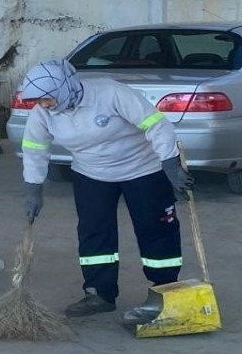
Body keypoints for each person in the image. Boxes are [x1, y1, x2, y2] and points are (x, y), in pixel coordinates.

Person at [17, 58, 192, 321]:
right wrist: (33, 189)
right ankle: (99, 293)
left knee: (155, 229)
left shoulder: (110, 93)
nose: (43, 105)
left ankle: (165, 288)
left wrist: (171, 165)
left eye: (47, 99)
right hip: (92, 174)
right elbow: (34, 149)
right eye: (38, 101)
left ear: (64, 87)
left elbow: (156, 124)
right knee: (94, 232)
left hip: (143, 169)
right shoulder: (42, 113)